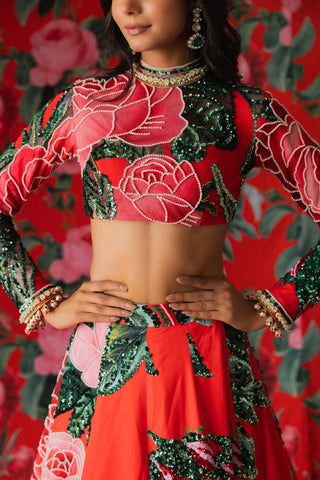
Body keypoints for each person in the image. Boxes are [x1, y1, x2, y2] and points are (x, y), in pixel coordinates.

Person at [0, 0, 319, 477]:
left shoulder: (246, 112)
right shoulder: (85, 103)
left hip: (203, 359)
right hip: (105, 359)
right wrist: (44, 301)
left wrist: (269, 305)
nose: (127, 7)